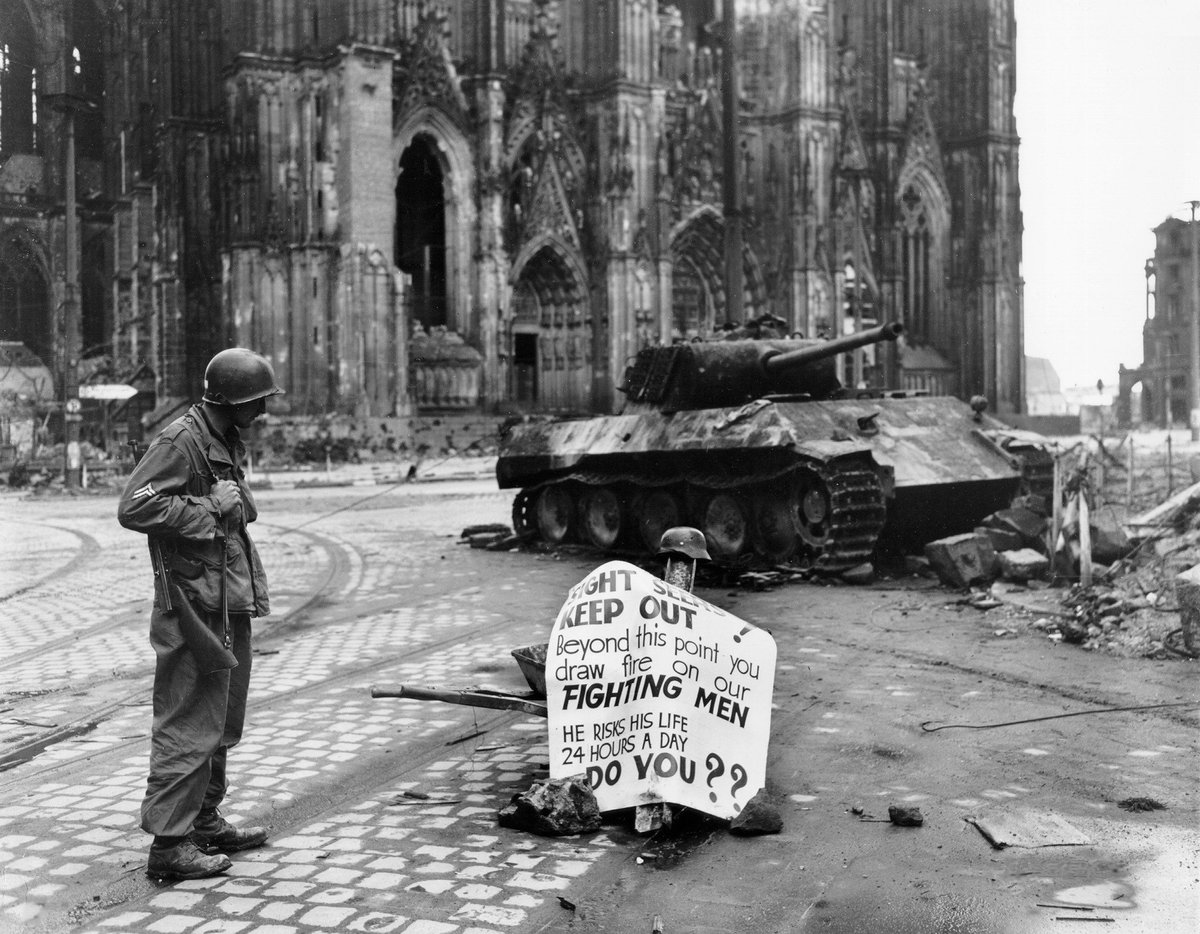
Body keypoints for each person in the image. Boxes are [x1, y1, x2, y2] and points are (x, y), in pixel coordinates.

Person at [118, 348, 282, 880]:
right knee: (188, 719)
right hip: (191, 604)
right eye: (256, 402)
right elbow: (134, 507)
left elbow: (242, 508)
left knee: (222, 717)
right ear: (231, 401)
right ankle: (169, 845)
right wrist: (212, 507)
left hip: (225, 596)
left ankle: (204, 821)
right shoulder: (179, 441)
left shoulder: (221, 438)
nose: (262, 412)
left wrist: (231, 502)